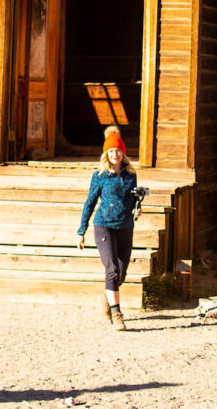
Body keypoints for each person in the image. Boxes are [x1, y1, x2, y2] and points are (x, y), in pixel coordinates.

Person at [76, 127, 139, 330]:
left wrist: (137, 209)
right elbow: (90, 203)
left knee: (121, 272)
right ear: (106, 154)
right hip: (104, 225)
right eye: (111, 151)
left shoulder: (130, 175)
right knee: (111, 269)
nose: (115, 154)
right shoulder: (100, 175)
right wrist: (81, 231)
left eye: (118, 151)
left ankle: (107, 297)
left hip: (125, 225)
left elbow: (132, 200)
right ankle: (117, 314)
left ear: (123, 153)